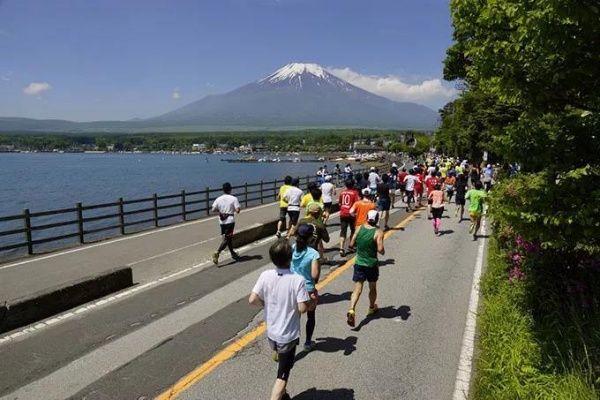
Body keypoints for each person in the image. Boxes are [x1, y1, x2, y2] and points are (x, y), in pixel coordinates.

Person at [249, 241, 310, 400]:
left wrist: (265, 304)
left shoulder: (265, 275)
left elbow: (252, 299)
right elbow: (303, 308)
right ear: (290, 258)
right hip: (287, 335)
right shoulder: (297, 280)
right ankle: (279, 394)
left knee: (283, 362)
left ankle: (283, 396)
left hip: (272, 332)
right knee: (282, 377)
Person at [346, 210, 385, 327]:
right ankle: (371, 308)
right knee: (372, 287)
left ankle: (351, 309)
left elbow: (351, 244)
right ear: (377, 219)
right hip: (371, 263)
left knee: (357, 289)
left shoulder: (359, 228)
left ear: (367, 218)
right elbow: (380, 250)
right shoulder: (378, 232)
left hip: (359, 262)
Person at [290, 224, 321, 352]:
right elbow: (314, 275)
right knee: (310, 315)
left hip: (291, 287)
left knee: (293, 318)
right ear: (310, 238)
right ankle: (308, 343)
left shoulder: (292, 248)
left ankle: (285, 345)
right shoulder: (313, 253)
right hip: (307, 289)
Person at [211, 182, 241, 265]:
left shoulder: (218, 199)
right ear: (230, 189)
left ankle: (233, 253)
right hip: (230, 221)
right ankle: (217, 253)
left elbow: (213, 210)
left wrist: (221, 211)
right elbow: (238, 210)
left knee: (228, 238)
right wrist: (231, 210)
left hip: (221, 221)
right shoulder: (233, 198)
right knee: (228, 238)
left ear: (223, 190)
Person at [338, 179, 359, 257]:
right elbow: (357, 203)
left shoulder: (342, 192)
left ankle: (341, 248)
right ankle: (351, 245)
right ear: (353, 185)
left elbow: (340, 203)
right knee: (353, 230)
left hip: (343, 213)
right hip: (351, 214)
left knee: (343, 231)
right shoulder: (355, 193)